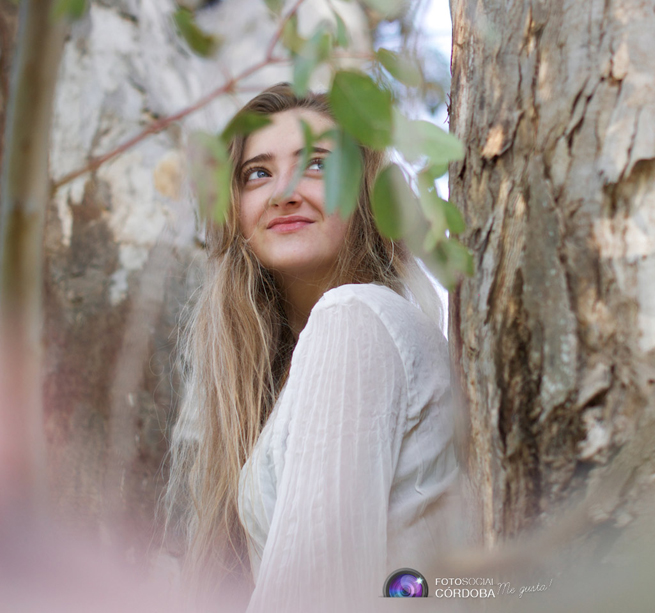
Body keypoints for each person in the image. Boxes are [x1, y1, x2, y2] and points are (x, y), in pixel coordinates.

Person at [164, 83, 461, 612]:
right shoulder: (296, 363)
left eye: (318, 165)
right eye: (258, 172)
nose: (285, 192)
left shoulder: (354, 319)